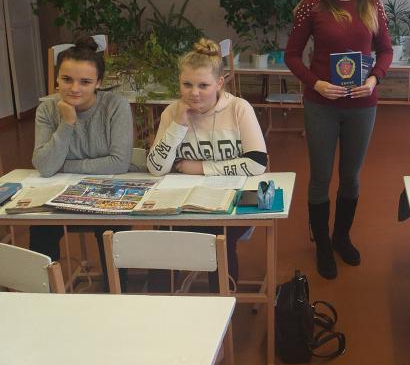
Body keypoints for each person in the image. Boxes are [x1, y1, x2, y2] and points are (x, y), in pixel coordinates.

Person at [284, 0, 392, 280]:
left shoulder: (371, 3)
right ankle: (321, 245)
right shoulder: (312, 6)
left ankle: (341, 237)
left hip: (362, 103)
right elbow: (291, 55)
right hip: (322, 104)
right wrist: (315, 83)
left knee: (351, 177)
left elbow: (386, 50)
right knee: (320, 177)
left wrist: (374, 79)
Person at [147, 38, 268, 286]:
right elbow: (156, 168)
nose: (194, 93)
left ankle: (222, 300)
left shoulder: (239, 108)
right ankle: (162, 302)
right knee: (163, 238)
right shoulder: (172, 112)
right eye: (187, 84)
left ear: (219, 83)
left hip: (232, 199)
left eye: (203, 85)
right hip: (183, 201)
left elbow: (257, 163)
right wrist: (178, 125)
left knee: (218, 237)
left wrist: (200, 168)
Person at [31, 35, 134, 290]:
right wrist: (67, 123)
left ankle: (117, 291)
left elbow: (119, 163)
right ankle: (43, 295)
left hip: (107, 192)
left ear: (98, 83)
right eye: (67, 79)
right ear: (57, 78)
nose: (74, 88)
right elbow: (44, 166)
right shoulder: (47, 109)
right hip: (60, 193)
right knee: (39, 225)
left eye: (85, 82)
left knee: (111, 226)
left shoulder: (115, 106)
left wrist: (63, 165)